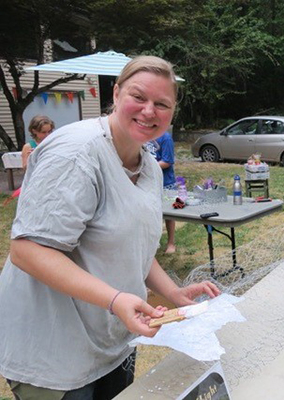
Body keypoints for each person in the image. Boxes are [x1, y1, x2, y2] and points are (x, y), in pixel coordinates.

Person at [0, 56, 221, 399]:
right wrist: (116, 300)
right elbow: (28, 250)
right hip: (53, 349)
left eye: (161, 104)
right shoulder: (75, 153)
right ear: (116, 93)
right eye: (139, 97)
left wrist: (173, 293)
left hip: (113, 341)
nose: (149, 110)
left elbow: (134, 248)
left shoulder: (147, 165)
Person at [149, 131, 177, 253]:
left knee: (169, 215)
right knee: (150, 213)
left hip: (166, 183)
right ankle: (152, 242)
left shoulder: (165, 138)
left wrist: (147, 166)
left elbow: (168, 161)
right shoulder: (143, 137)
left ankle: (171, 243)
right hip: (148, 182)